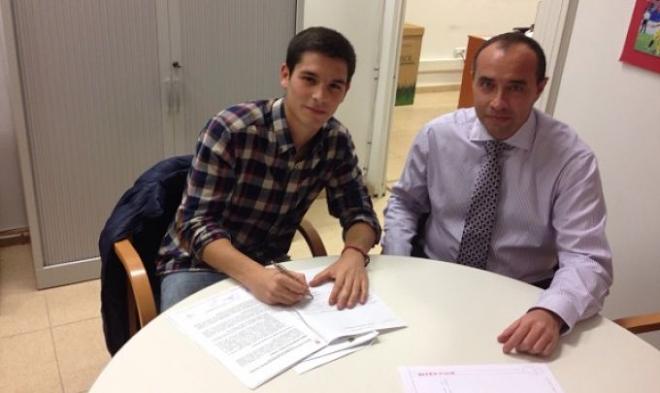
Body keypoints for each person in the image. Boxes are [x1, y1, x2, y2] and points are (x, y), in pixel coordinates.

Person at [382, 32, 612, 357]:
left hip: (522, 296)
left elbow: (588, 258)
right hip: (433, 279)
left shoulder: (571, 159)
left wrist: (551, 312)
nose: (498, 102)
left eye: (516, 88)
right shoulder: (437, 135)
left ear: (539, 88)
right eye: (487, 84)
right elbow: (405, 205)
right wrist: (398, 267)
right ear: (472, 80)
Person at [156, 27, 381, 312]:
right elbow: (194, 224)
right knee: (186, 351)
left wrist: (353, 253)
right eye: (309, 79)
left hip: (270, 263)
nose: (319, 96)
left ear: (345, 91)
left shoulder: (335, 141)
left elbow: (360, 213)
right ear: (285, 75)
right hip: (198, 264)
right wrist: (255, 276)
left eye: (334, 86)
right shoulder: (231, 129)